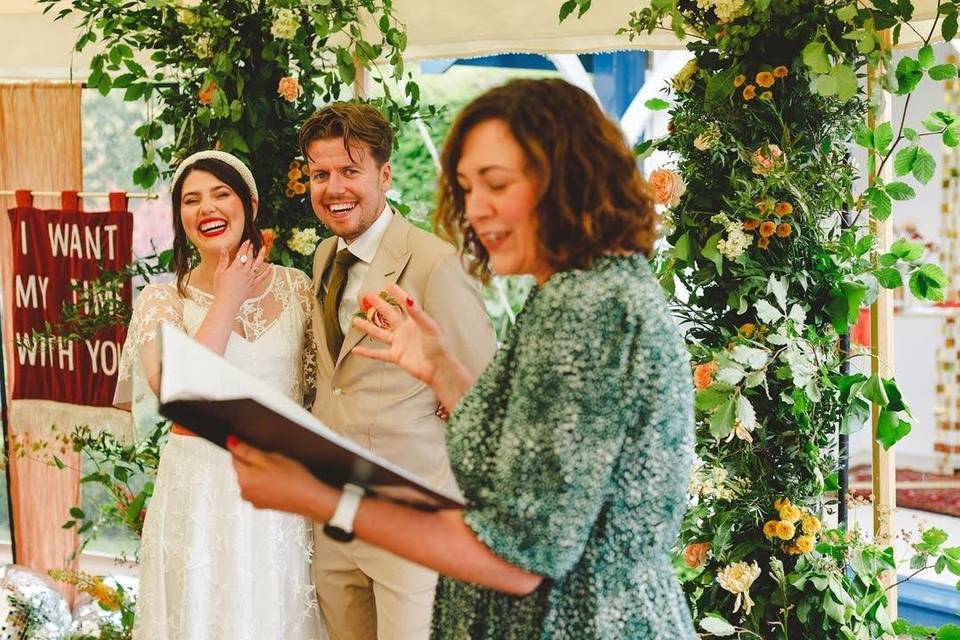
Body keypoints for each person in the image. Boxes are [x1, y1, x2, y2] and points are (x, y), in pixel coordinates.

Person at [229, 79, 697, 639]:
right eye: (467, 188)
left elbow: (522, 552)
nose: (476, 210)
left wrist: (318, 494)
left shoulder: (587, 309)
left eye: (497, 184)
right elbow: (520, 461)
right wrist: (438, 369)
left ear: (570, 179)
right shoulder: (582, 290)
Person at [299, 103, 497, 640]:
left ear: (384, 175)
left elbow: (486, 397)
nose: (333, 188)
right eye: (320, 174)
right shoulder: (322, 257)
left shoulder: (435, 265)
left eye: (349, 171)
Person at [114, 150, 326, 640]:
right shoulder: (161, 301)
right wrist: (228, 297)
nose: (206, 208)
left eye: (220, 194)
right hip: (200, 500)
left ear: (249, 203)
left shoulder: (298, 289)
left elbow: (328, 392)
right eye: (191, 200)